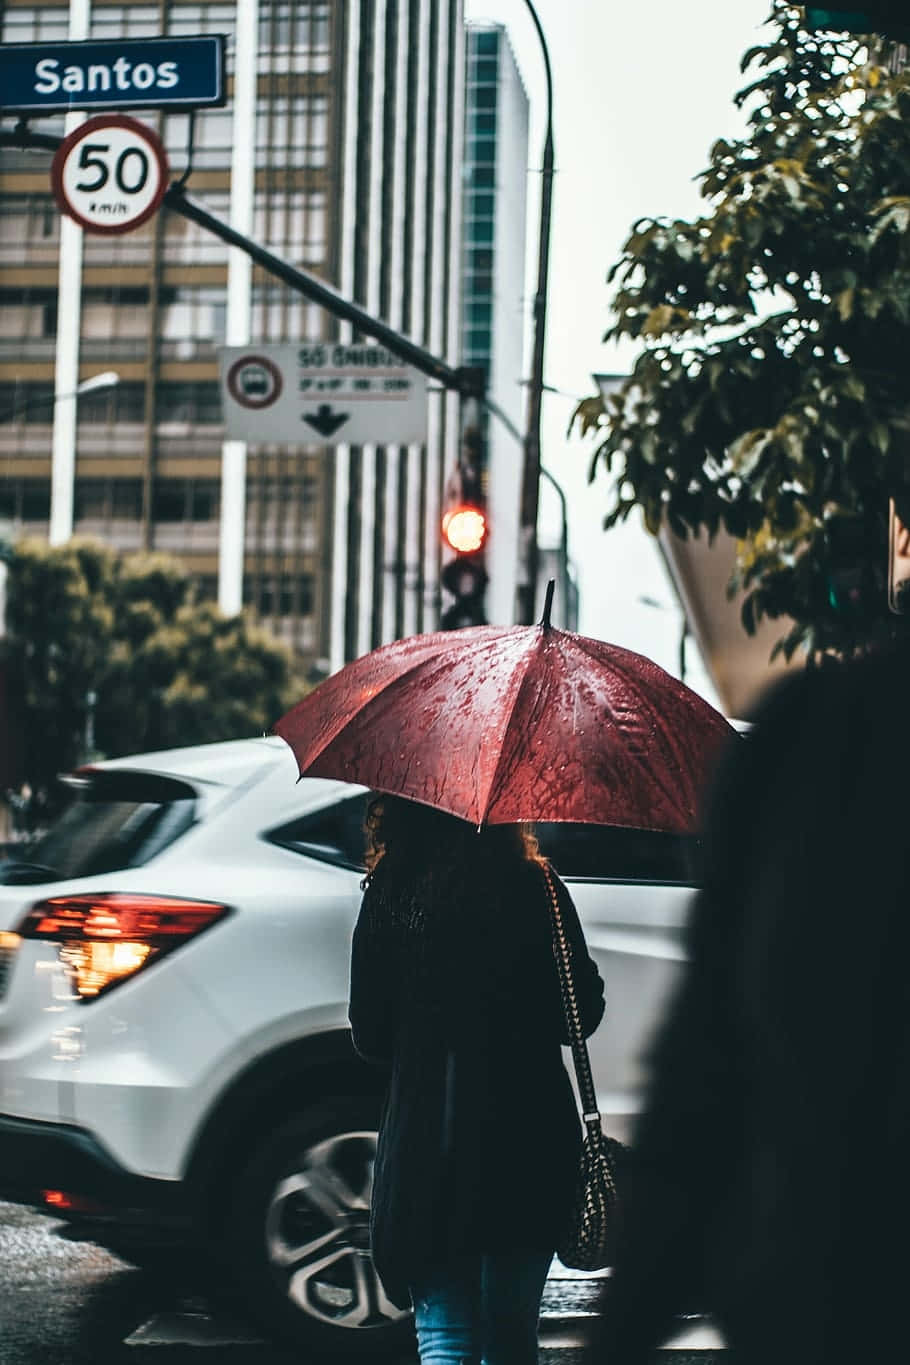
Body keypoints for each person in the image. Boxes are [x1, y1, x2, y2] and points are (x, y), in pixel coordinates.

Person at [593, 647, 910, 1365]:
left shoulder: (819, 740)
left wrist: (622, 1331)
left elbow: (700, 1084)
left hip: (821, 1289)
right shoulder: (820, 738)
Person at [348, 795, 604, 1365]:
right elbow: (580, 1016)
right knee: (511, 1337)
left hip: (426, 1149)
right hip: (527, 1145)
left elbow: (369, 1034)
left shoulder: (392, 892)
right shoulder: (538, 890)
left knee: (445, 1340)